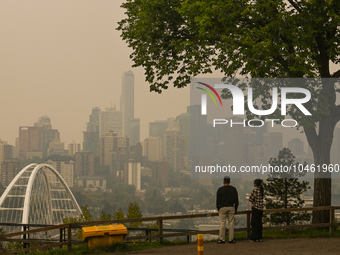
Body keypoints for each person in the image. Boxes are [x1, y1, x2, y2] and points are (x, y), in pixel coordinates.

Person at [216, 176, 239, 244]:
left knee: (222, 223)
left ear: (224, 181)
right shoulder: (233, 189)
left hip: (222, 208)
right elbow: (236, 200)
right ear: (230, 181)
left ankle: (222, 239)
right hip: (231, 207)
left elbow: (218, 201)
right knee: (231, 223)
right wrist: (236, 208)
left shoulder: (220, 190)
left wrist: (219, 208)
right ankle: (231, 239)